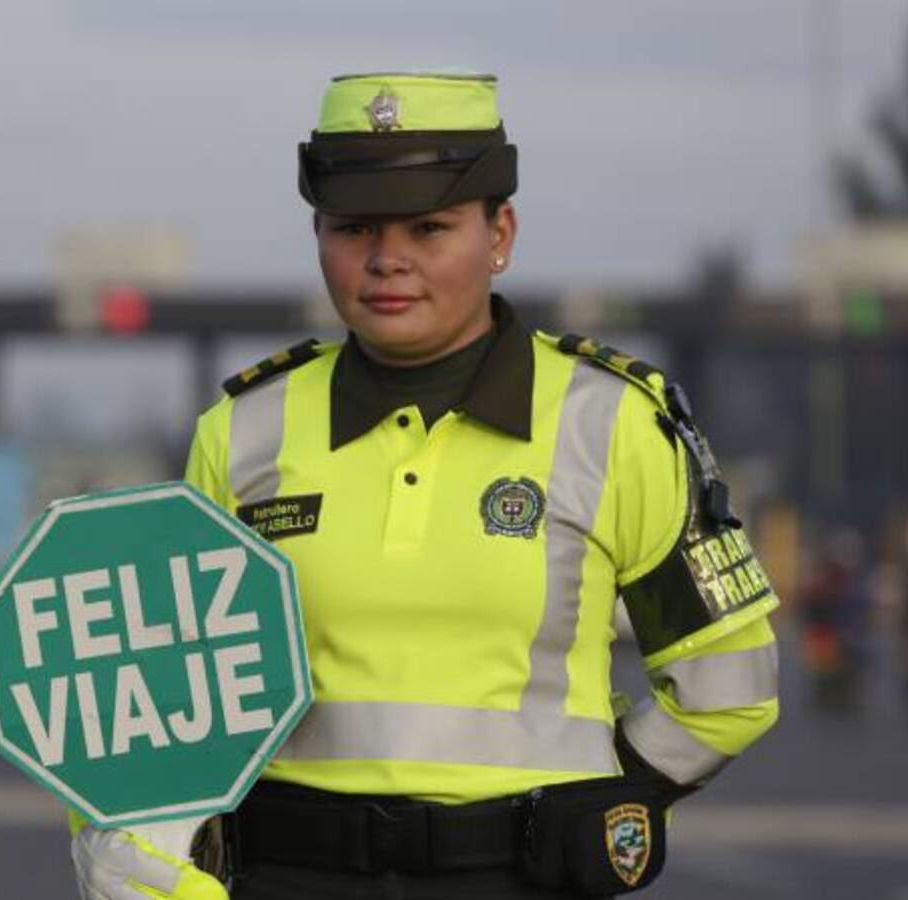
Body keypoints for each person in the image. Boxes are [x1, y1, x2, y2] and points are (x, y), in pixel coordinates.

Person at [72, 72, 781, 899]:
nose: (386, 260)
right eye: (353, 227)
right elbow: (166, 694)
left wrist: (595, 797)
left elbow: (728, 687)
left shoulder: (613, 423)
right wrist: (129, 830)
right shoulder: (241, 432)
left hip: (520, 877)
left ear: (500, 231)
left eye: (430, 226)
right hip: (285, 874)